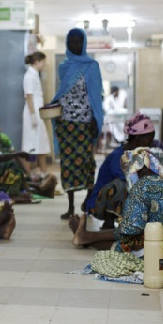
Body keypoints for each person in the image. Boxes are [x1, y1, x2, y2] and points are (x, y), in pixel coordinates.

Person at [71, 147, 163, 251]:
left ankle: (86, 238)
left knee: (131, 241)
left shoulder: (144, 185)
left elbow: (130, 229)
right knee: (147, 231)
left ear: (144, 169)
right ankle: (86, 237)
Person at [50, 28, 104, 219]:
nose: (74, 44)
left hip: (85, 124)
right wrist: (53, 106)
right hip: (66, 124)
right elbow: (63, 92)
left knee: (87, 164)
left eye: (78, 41)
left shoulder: (92, 66)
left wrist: (95, 121)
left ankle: (88, 200)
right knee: (68, 165)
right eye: (71, 41)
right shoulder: (64, 66)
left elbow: (97, 95)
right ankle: (71, 207)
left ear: (83, 43)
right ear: (67, 43)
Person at [84, 112, 157, 230]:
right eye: (149, 139)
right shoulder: (118, 156)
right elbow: (129, 180)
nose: (151, 142)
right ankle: (108, 222)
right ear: (138, 139)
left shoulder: (142, 155)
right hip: (99, 205)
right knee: (120, 185)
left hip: (122, 199)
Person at [0, 120, 36, 202]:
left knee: (14, 166)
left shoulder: (3, 143)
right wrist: (19, 154)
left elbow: (13, 156)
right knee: (11, 165)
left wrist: (27, 174)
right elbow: (1, 158)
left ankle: (21, 189)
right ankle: (13, 194)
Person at [22, 52, 51, 174]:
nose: (44, 65)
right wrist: (33, 115)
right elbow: (29, 97)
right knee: (30, 146)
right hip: (32, 115)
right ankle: (28, 175)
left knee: (41, 145)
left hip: (37, 114)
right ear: (36, 62)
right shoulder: (29, 76)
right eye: (43, 62)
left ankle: (44, 173)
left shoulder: (34, 75)